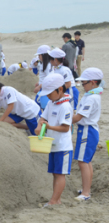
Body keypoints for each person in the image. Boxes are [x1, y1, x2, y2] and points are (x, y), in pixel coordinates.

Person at [35, 73, 73, 207]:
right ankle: (56, 200)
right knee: (55, 173)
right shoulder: (52, 103)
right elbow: (42, 117)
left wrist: (49, 126)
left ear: (60, 89)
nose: (48, 96)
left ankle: (53, 201)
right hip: (53, 144)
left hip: (63, 146)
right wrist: (40, 125)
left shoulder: (65, 106)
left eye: (50, 93)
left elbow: (65, 128)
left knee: (60, 174)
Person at [72, 68, 103, 201]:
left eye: (84, 83)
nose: (82, 86)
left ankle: (86, 193)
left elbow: (78, 117)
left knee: (83, 162)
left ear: (93, 82)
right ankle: (86, 189)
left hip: (87, 130)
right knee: (86, 161)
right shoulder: (92, 95)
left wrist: (63, 119)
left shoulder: (92, 98)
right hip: (88, 130)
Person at [34, 45, 53, 110]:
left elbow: (49, 79)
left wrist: (39, 87)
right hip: (43, 87)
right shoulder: (43, 64)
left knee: (41, 106)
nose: (38, 57)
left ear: (44, 55)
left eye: (39, 55)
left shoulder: (48, 65)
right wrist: (38, 82)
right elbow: (44, 76)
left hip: (45, 89)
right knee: (38, 105)